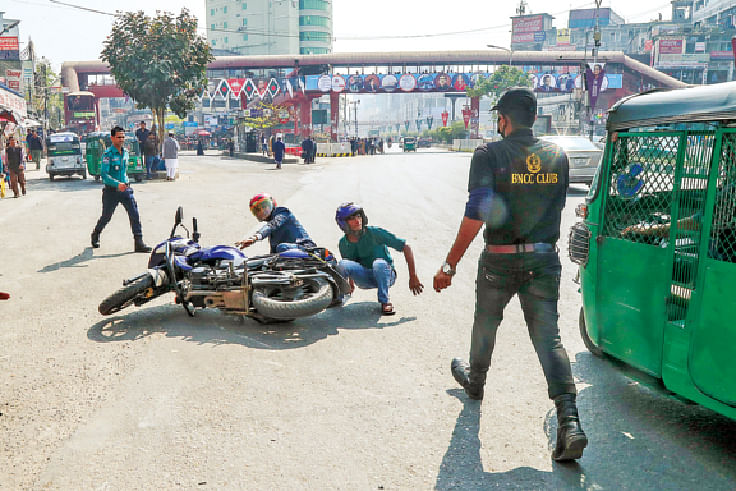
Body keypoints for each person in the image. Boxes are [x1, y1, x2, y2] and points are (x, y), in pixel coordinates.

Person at [432, 88, 587, 461]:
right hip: (544, 259)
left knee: (485, 322)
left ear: (504, 119)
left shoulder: (489, 154)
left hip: (500, 260)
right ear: (535, 117)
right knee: (549, 338)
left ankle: (476, 381)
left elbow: (477, 212)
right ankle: (569, 421)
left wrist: (449, 263)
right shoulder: (556, 156)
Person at [335, 202, 423, 315]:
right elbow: (350, 263)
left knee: (379, 263)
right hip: (365, 277)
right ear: (344, 223)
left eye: (358, 216)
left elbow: (405, 246)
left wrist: (413, 276)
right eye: (352, 218)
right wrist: (350, 284)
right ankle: (338, 297)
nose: (358, 221)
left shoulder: (375, 233)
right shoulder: (343, 243)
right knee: (342, 264)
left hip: (386, 275)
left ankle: (385, 301)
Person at [90, 126, 151, 253]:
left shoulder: (126, 153)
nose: (121, 139)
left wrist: (125, 183)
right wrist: (117, 184)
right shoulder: (108, 155)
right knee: (106, 216)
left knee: (134, 215)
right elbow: (104, 175)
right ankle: (96, 233)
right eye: (119, 137)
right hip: (111, 191)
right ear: (112, 138)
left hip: (126, 189)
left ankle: (138, 243)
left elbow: (123, 171)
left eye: (123, 137)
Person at [235, 193, 315, 253]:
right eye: (257, 210)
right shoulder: (272, 235)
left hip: (306, 248)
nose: (262, 211)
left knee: (282, 247)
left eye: (264, 206)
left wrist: (254, 238)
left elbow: (272, 225)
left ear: (271, 204)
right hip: (290, 252)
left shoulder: (283, 212)